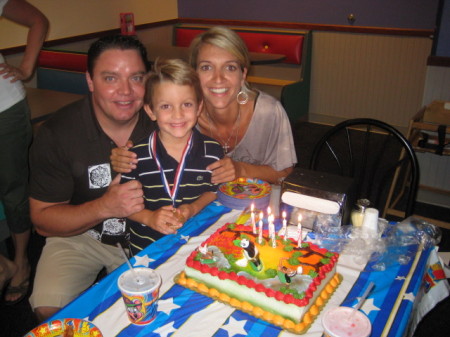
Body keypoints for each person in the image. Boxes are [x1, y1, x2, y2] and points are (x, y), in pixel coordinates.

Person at [28, 35, 155, 322]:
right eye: (110, 78)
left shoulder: (166, 120)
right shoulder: (57, 133)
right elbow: (43, 221)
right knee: (52, 315)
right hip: (82, 234)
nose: (125, 91)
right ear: (90, 81)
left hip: (150, 232)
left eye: (136, 78)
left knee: (156, 314)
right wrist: (105, 207)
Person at [111, 26, 297, 186]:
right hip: (199, 208)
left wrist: (241, 169)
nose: (218, 78)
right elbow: (136, 146)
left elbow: (285, 173)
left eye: (230, 67)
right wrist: (124, 157)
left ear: (243, 74)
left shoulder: (268, 112)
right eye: (207, 67)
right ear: (194, 73)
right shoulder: (180, 114)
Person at [121, 58, 223, 254]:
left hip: (196, 247)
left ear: (199, 107)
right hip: (147, 250)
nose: (178, 115)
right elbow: (124, 205)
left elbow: (215, 190)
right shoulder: (134, 157)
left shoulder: (213, 150)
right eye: (166, 106)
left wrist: (193, 208)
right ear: (151, 111)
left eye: (186, 104)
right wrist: (149, 218)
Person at [0, 0, 48, 305]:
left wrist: (27, 68)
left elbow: (38, 21)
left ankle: (21, 261)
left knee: (13, 189)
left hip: (4, 109)